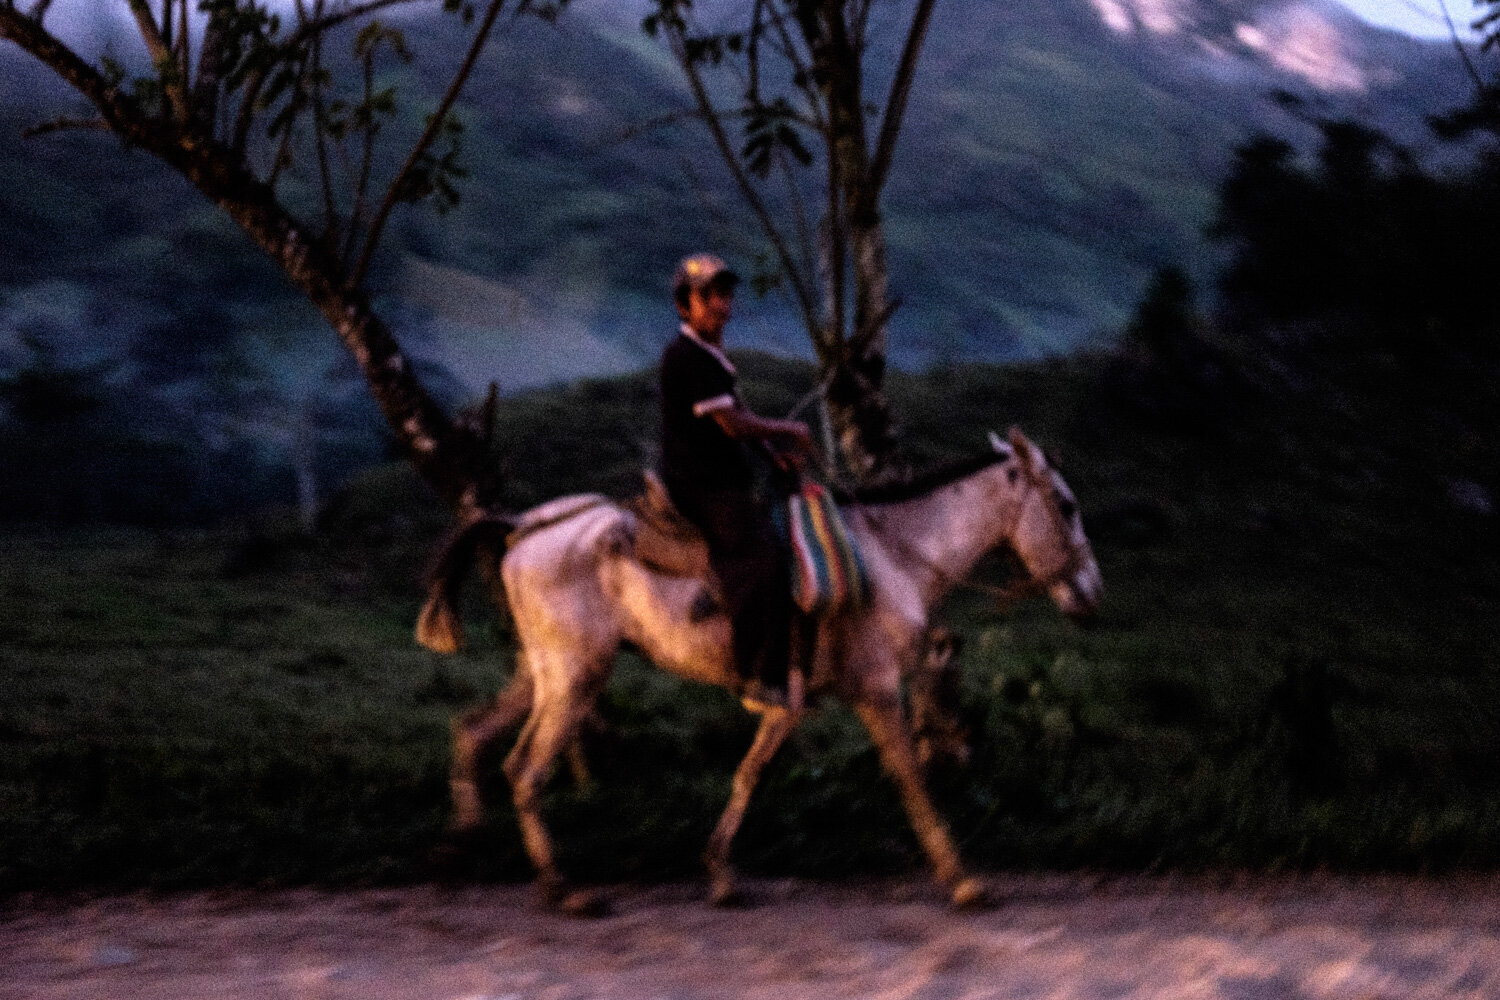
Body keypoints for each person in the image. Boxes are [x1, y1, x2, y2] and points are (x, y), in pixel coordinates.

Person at [659, 253, 816, 710]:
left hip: (721, 477)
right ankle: (756, 676)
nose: (720, 305)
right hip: (699, 483)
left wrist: (773, 457)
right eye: (707, 296)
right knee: (764, 559)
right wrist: (788, 430)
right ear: (685, 306)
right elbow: (731, 424)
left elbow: (738, 417)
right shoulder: (687, 357)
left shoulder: (712, 358)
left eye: (724, 295)